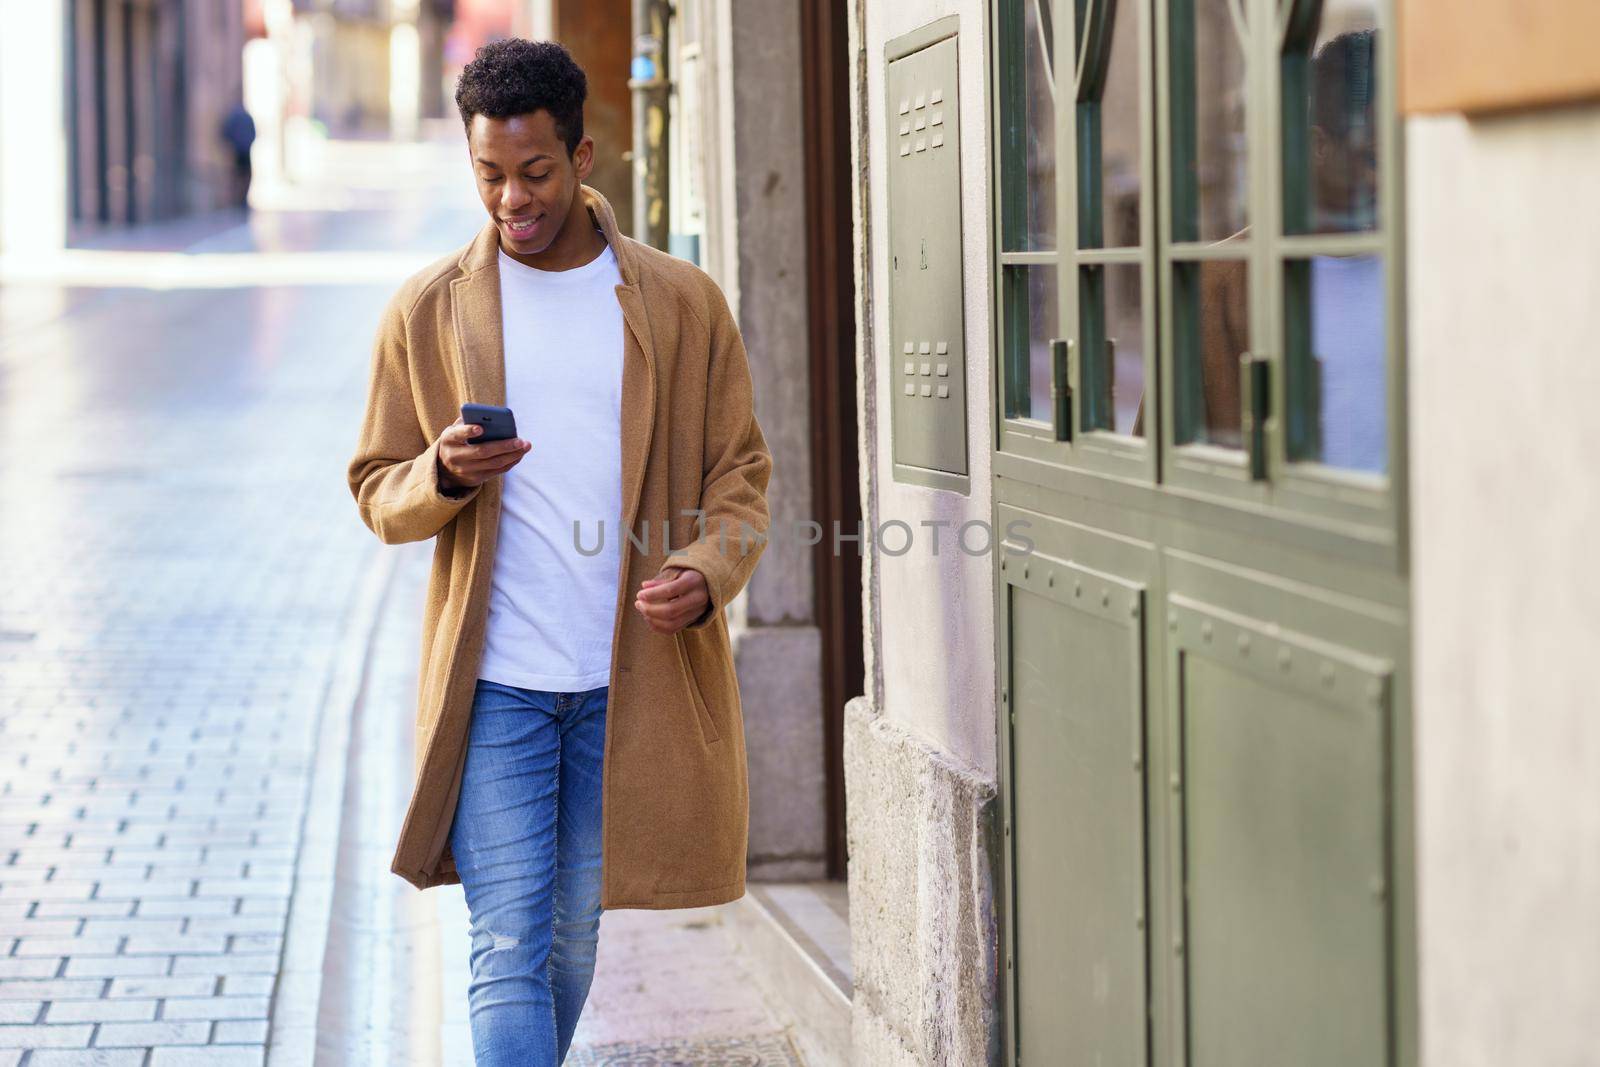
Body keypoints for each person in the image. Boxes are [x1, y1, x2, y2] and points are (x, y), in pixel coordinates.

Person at [345, 39, 772, 1066]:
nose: (511, 200)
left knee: (570, 938)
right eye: (488, 174)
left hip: (627, 682)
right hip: (494, 682)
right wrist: (443, 474)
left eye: (533, 173)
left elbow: (740, 475)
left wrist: (709, 570)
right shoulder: (428, 308)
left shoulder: (679, 302)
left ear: (584, 155)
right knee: (505, 942)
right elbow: (376, 487)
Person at [220, 102, 256, 209]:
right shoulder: (244, 117)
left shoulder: (234, 118)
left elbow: (225, 132)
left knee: (239, 176)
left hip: (239, 151)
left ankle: (239, 199)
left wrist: (232, 144)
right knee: (243, 176)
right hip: (242, 151)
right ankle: (240, 199)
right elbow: (253, 133)